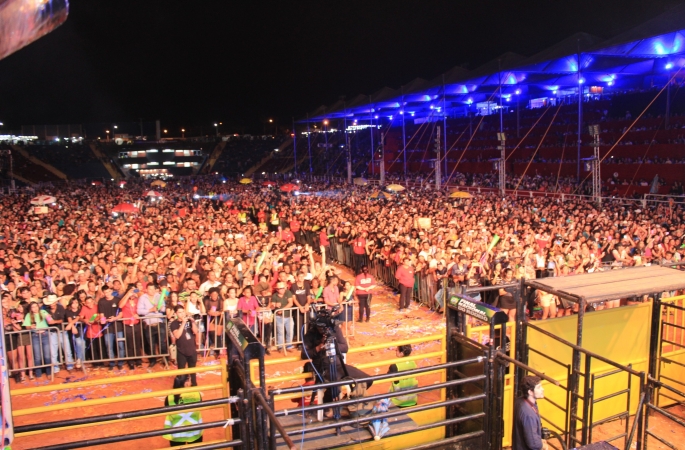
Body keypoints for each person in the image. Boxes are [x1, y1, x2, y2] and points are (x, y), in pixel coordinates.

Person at [163, 375, 203, 446]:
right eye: (191, 381)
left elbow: (166, 409)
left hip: (176, 434)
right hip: (194, 432)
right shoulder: (197, 394)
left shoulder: (169, 398)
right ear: (186, 383)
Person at [513, 375, 548, 450]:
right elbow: (533, 444)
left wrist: (539, 441)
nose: (542, 389)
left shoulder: (520, 401)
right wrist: (542, 445)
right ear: (530, 392)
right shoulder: (528, 414)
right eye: (539, 387)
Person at [169, 304, 199, 386]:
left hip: (192, 350)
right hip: (181, 351)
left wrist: (192, 322)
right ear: (175, 314)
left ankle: (194, 386)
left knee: (192, 371)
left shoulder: (189, 321)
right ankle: (180, 388)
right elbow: (177, 335)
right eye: (179, 312)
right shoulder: (173, 324)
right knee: (181, 372)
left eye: (183, 312)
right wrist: (183, 323)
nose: (182, 314)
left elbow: (196, 332)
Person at [270, 281, 294, 352]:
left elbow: (291, 303)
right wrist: (274, 305)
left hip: (288, 316)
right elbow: (272, 307)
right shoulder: (274, 295)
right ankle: (280, 347)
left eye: (282, 288)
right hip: (279, 317)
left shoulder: (288, 293)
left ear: (285, 288)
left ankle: (289, 346)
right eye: (279, 288)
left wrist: (282, 309)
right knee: (280, 333)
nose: (280, 290)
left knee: (290, 331)